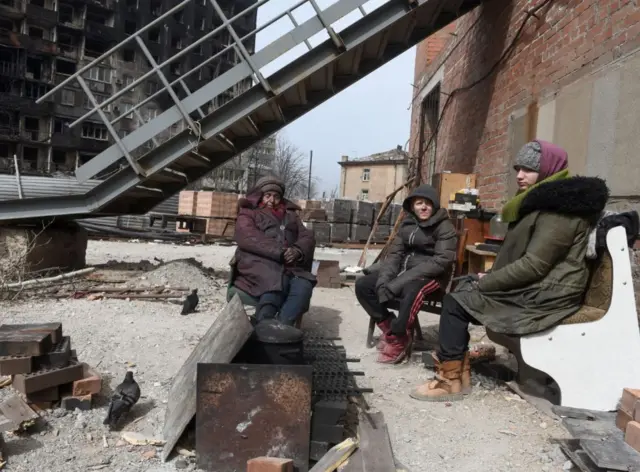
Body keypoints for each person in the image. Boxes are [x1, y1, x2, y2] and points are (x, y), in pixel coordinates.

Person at [410, 140, 609, 402]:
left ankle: (451, 380)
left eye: (528, 169)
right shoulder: (545, 204)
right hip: (543, 287)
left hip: (548, 296)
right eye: (518, 168)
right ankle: (459, 371)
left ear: (549, 170)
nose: (520, 175)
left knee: (456, 302)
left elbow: (534, 265)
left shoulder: (560, 211)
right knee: (462, 289)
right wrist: (488, 278)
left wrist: (489, 283)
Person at [355, 184, 457, 364]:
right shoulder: (408, 225)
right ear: (412, 206)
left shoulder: (444, 226)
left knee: (411, 290)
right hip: (405, 272)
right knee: (364, 285)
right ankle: (390, 329)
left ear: (434, 205)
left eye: (428, 203)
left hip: (432, 276)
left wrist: (396, 283)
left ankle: (400, 337)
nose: (423, 207)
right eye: (419, 203)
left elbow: (441, 261)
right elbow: (394, 255)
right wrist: (384, 280)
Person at [233, 176, 316, 326]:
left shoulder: (291, 216)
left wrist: (297, 251)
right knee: (275, 283)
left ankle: (281, 327)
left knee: (303, 286)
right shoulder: (248, 213)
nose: (272, 200)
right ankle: (264, 324)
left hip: (291, 267)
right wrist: (281, 252)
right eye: (268, 195)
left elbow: (307, 236)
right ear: (259, 196)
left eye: (277, 196)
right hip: (258, 265)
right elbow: (248, 236)